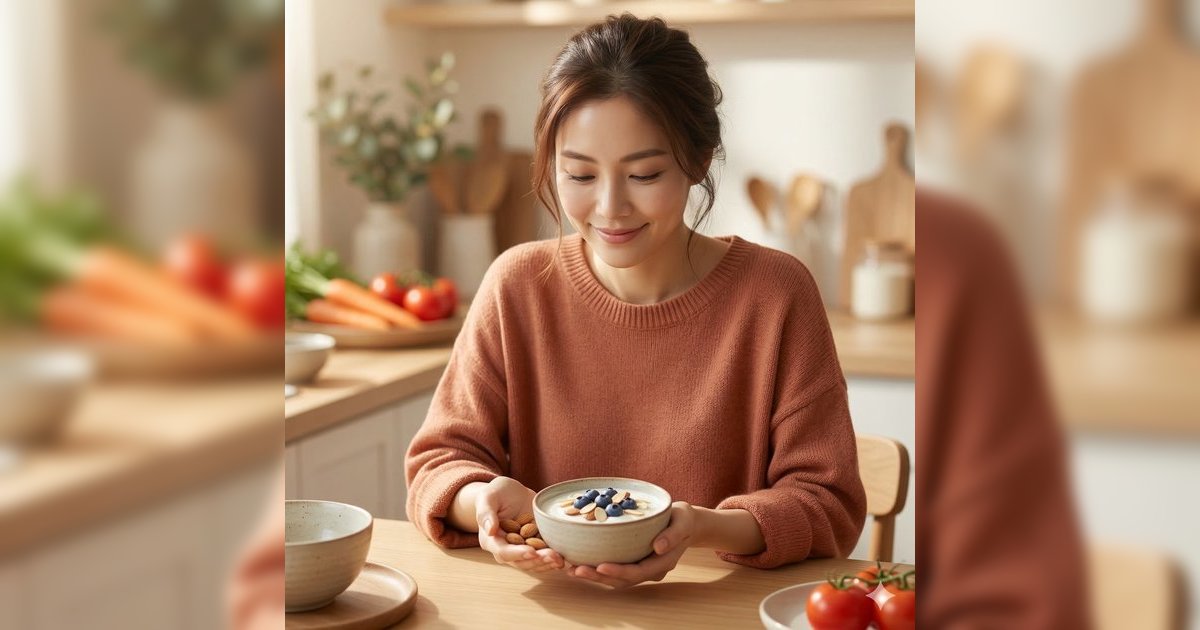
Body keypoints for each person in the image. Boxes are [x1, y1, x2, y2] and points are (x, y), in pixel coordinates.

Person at [405, 14, 866, 588]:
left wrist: (701, 528)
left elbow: (827, 503)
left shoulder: (775, 294)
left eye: (644, 174)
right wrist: (482, 502)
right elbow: (437, 464)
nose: (609, 207)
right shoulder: (516, 286)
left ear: (698, 160)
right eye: (578, 174)